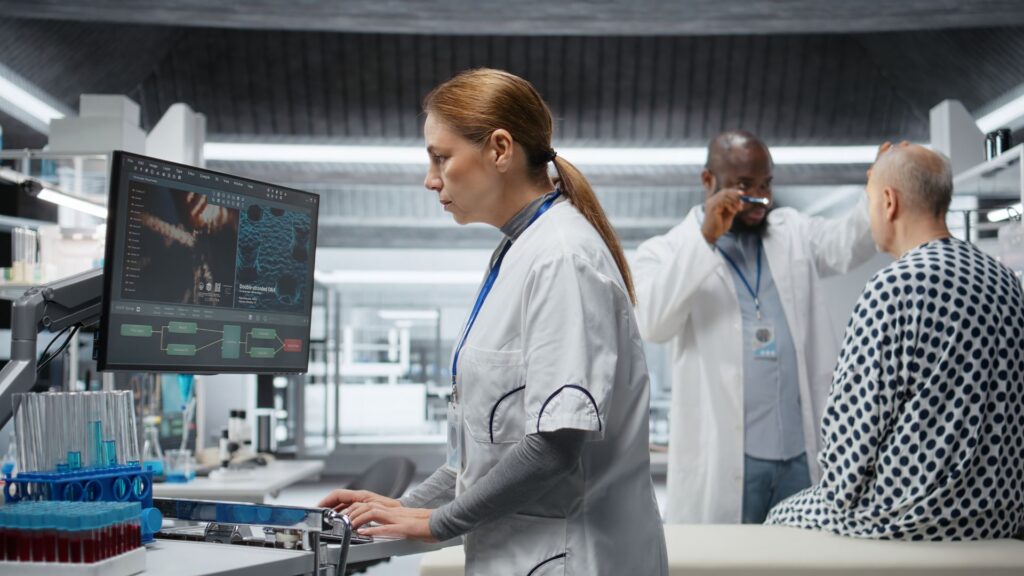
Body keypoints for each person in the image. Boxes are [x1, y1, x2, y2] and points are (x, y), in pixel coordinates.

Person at [318, 68, 668, 575]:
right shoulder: (519, 250)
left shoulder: (562, 257)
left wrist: (434, 523)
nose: (430, 178)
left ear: (500, 149)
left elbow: (553, 448)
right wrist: (409, 506)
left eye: (441, 157)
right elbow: (487, 451)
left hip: (574, 557)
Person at [767, 145, 1024, 540]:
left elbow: (851, 443)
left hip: (914, 518)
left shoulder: (894, 288)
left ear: (889, 202)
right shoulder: (1007, 283)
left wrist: (832, 496)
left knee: (779, 517)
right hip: (1001, 514)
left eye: (869, 201)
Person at [633, 130, 879, 524]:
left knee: (801, 563)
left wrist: (877, 189)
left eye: (766, 184)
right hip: (728, 462)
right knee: (731, 564)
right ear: (708, 181)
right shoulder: (666, 251)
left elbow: (848, 243)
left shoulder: (792, 232)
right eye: (743, 186)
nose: (759, 198)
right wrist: (704, 241)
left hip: (800, 456)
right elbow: (653, 322)